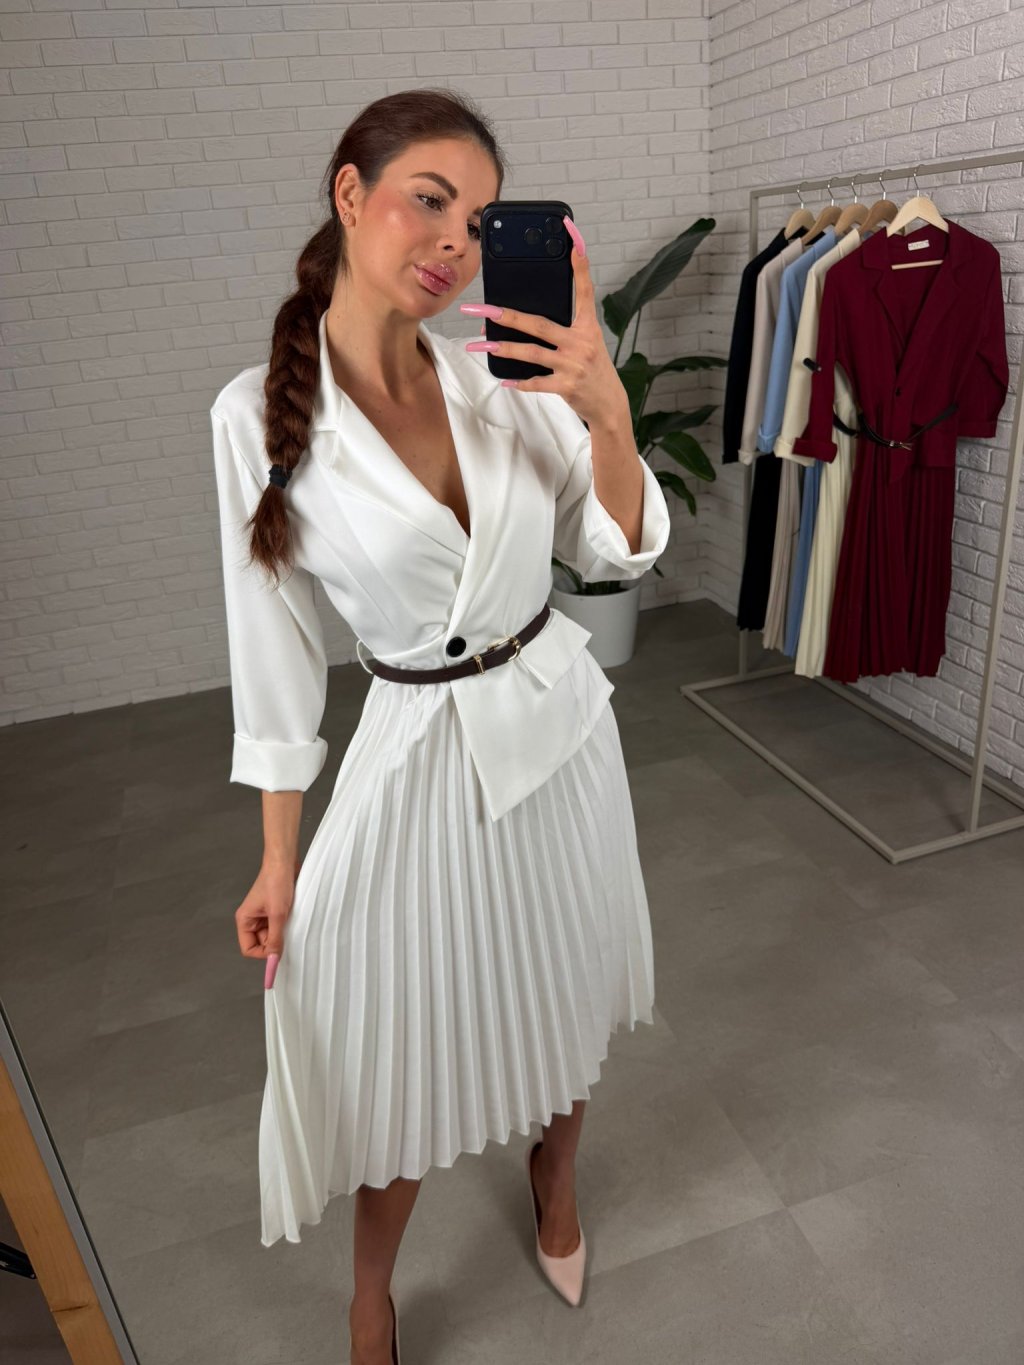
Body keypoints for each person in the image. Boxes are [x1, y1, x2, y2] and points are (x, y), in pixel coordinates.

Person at [210, 88, 671, 1365]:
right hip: (417, 753)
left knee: (566, 982)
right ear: (349, 193)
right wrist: (277, 856)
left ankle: (555, 1179)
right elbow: (272, 650)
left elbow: (616, 551)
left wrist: (605, 409)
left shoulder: (506, 388)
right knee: (403, 1044)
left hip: (562, 736)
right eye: (430, 200)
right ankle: (372, 1294)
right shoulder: (255, 417)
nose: (456, 242)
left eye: (478, 220)